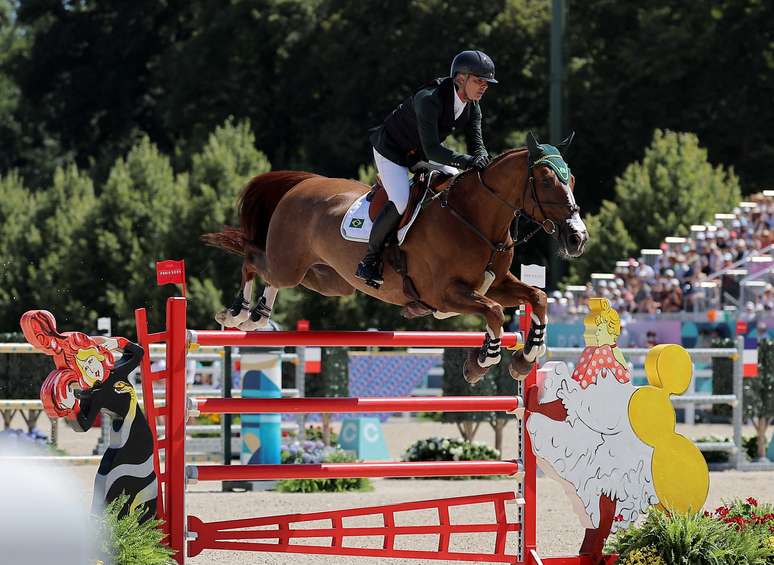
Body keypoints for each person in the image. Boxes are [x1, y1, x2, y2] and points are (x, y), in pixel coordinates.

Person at [355, 49, 497, 288]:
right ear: (460, 79)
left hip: (418, 153)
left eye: (486, 83)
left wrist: (483, 159)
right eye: (478, 81)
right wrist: (469, 162)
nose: (484, 87)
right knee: (401, 200)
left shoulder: (473, 106)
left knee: (454, 183)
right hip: (392, 151)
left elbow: (476, 142)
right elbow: (433, 151)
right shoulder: (429, 99)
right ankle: (369, 261)